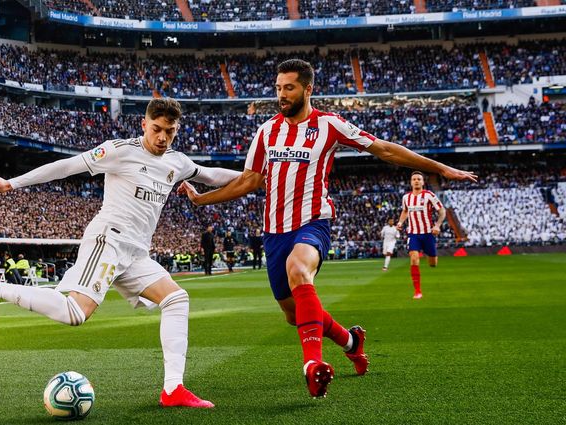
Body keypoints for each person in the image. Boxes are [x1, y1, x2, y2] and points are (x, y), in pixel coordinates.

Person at [178, 59, 477, 398]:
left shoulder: (330, 125)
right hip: (274, 231)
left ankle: (313, 365)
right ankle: (351, 341)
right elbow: (249, 181)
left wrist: (440, 168)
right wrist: (202, 200)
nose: (282, 95)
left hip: (313, 220)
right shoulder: (266, 131)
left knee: (299, 268)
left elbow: (385, 150)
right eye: (278, 88)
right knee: (295, 315)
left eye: (289, 87)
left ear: (308, 89)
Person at [0, 98, 241, 408]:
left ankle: (173, 389)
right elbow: (66, 167)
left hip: (136, 253)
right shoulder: (119, 151)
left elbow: (209, 174)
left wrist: (255, 175)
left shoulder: (176, 162)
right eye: (157, 129)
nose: (162, 137)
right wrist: (12, 183)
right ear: (144, 125)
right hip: (108, 241)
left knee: (176, 299)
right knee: (75, 314)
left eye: (170, 131)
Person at [396, 171, 446, 299]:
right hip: (413, 234)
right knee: (413, 258)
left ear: (423, 182)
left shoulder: (429, 195)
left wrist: (437, 225)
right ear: (411, 182)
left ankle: (429, 255)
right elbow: (405, 211)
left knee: (433, 263)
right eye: (414, 179)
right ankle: (417, 291)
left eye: (419, 179)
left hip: (428, 234)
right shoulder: (406, 197)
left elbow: (442, 211)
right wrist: (400, 222)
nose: (416, 181)